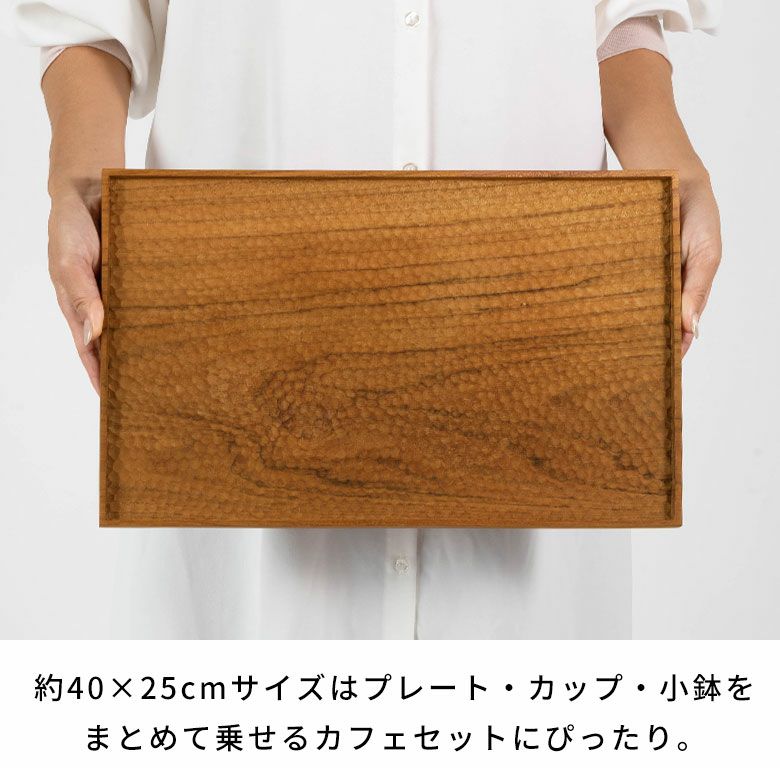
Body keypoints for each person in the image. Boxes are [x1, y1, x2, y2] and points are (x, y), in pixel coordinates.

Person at [8, 1, 722, 639]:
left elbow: (616, 18)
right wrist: (81, 184)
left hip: (537, 325)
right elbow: (89, 19)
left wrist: (672, 165)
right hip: (234, 342)